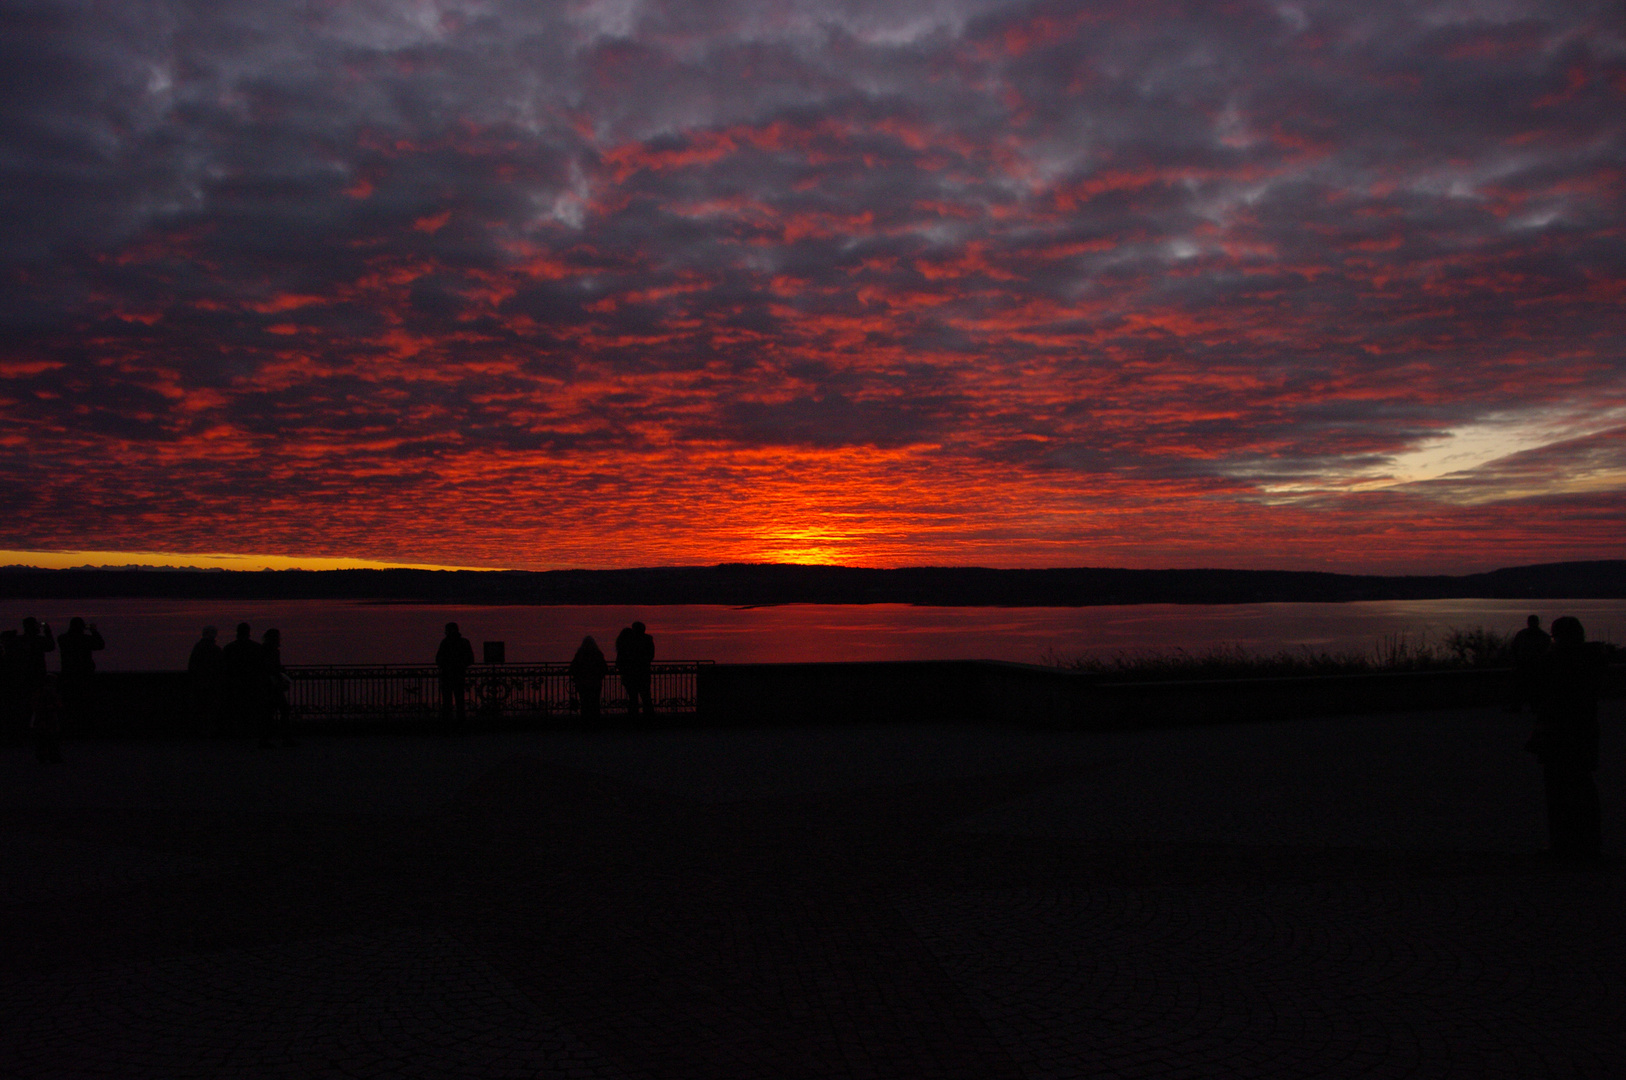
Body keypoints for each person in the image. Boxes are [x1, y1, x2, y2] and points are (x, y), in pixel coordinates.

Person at [1525, 616, 1606, 860]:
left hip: (1558, 735)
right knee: (1582, 789)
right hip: (1583, 733)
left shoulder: (1556, 661)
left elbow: (1540, 694)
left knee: (1559, 792)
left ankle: (1562, 844)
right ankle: (1588, 844)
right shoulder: (1591, 660)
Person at [17, 618, 60, 763]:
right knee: (41, 709)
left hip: (24, 677)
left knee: (25, 708)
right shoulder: (39, 641)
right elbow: (51, 646)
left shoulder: (20, 641)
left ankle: (23, 735)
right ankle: (37, 736)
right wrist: (48, 631)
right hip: (37, 678)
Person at [56, 617, 105, 730]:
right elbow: (100, 645)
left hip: (68, 674)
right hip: (85, 674)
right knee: (85, 702)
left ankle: (70, 726)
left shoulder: (63, 638)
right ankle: (84, 725)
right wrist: (94, 631)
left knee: (70, 702)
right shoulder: (86, 639)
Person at [220, 623, 265, 736]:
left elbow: (224, 667)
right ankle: (251, 731)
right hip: (252, 684)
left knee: (236, 709)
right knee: (251, 709)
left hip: (235, 684)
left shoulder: (229, 648)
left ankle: (237, 731)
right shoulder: (257, 648)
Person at [436, 622, 475, 733]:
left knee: (450, 702)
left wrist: (448, 665)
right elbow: (470, 659)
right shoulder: (462, 642)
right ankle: (458, 725)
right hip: (457, 676)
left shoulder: (446, 643)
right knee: (458, 702)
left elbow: (438, 659)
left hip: (450, 676)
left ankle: (449, 726)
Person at [260, 628, 296, 748]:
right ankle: (284, 738)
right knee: (282, 710)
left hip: (270, 685)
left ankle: (267, 739)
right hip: (273, 685)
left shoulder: (266, 649)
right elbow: (272, 666)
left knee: (270, 713)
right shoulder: (272, 651)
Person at [1508, 614, 1551, 713]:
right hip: (1524, 664)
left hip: (1534, 665)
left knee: (1532, 687)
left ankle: (1531, 706)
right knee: (1522, 687)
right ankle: (1519, 706)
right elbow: (1515, 648)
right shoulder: (1541, 636)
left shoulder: (1542, 636)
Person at [614, 620, 655, 718]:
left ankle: (634, 718)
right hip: (643, 673)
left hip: (630, 674)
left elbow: (621, 659)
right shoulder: (647, 640)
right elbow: (650, 656)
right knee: (646, 698)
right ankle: (649, 718)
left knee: (633, 698)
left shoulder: (629, 641)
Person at [187, 626, 224, 732]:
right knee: (210, 710)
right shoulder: (216, 650)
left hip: (199, 685)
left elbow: (192, 667)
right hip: (212, 685)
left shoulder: (198, 649)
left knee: (200, 709)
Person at [569, 636, 609, 720]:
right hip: (595, 683)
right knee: (595, 703)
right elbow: (604, 668)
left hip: (582, 683)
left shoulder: (580, 654)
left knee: (584, 703)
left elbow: (573, 668)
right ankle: (595, 721)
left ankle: (585, 721)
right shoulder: (597, 654)